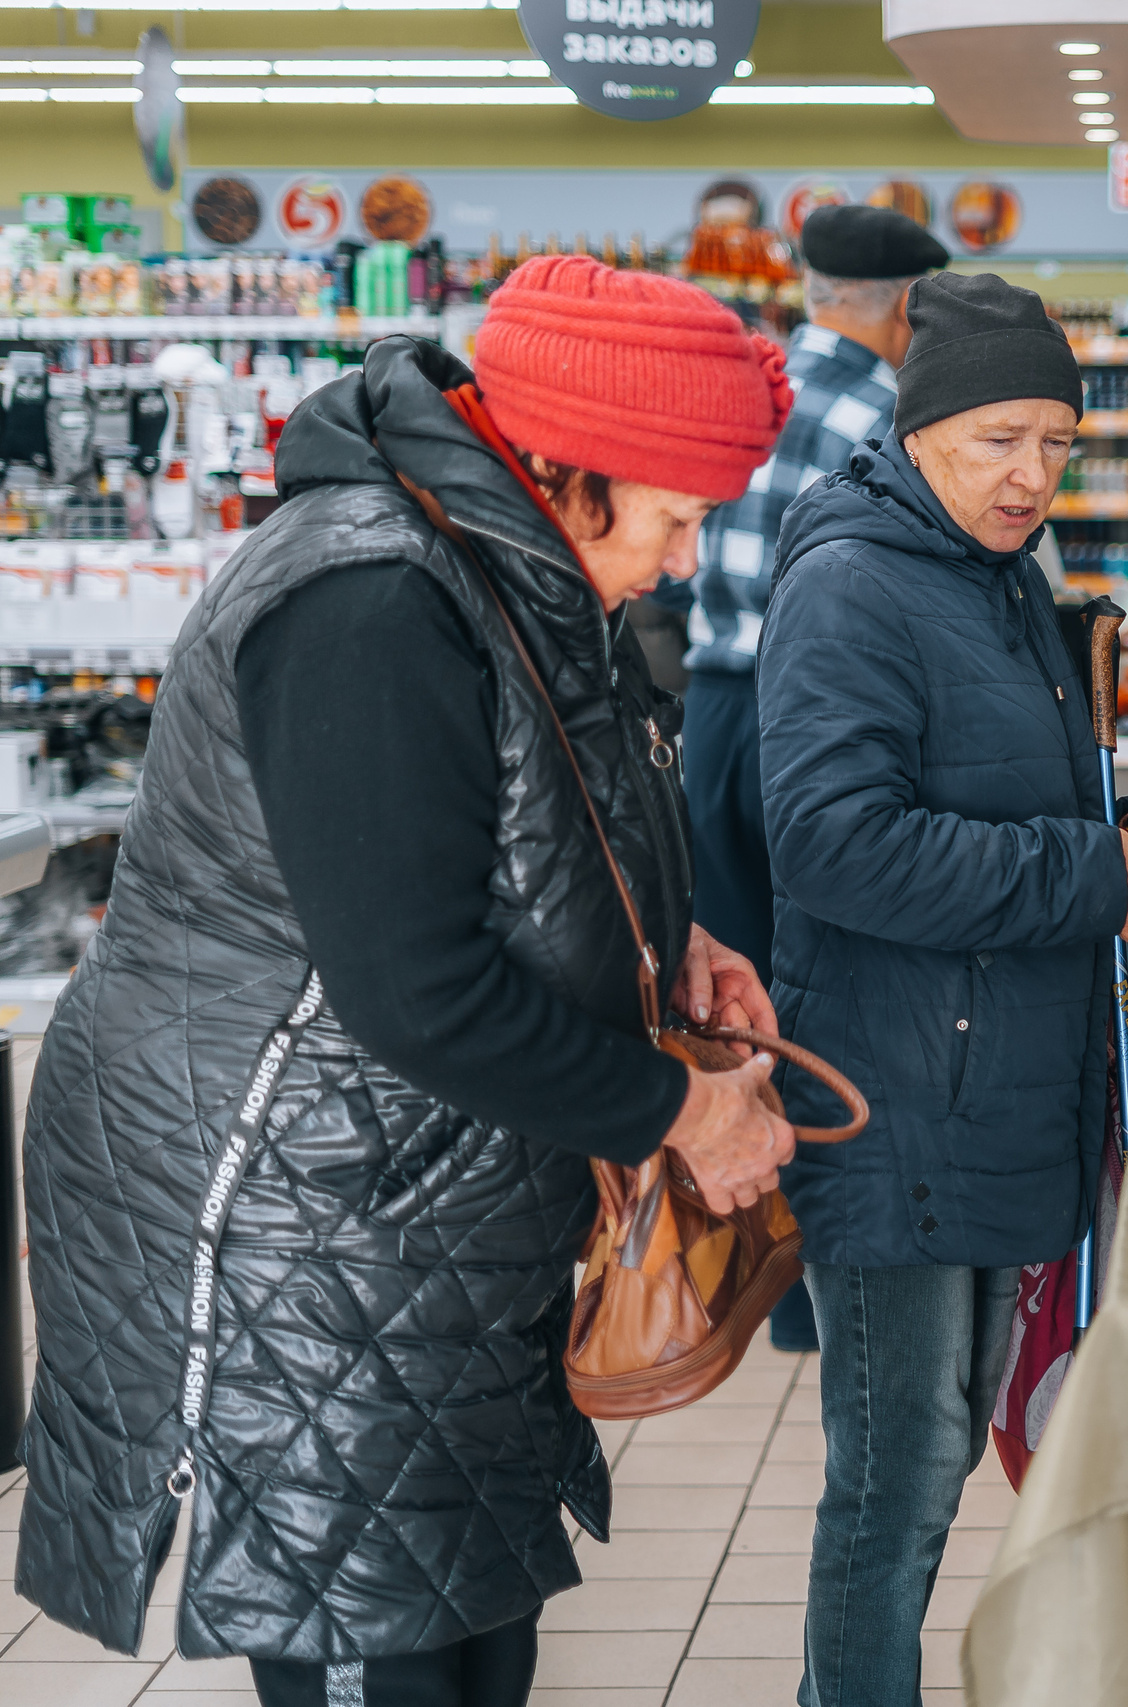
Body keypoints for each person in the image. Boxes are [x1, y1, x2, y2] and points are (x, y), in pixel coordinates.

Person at [17, 255, 799, 1707]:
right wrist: (678, 1111)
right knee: (391, 1660)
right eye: (684, 516)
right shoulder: (371, 600)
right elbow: (413, 983)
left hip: (423, 1212)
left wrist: (665, 941)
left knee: (474, 1635)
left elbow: (527, 830)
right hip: (297, 1227)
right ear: (572, 471)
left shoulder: (507, 564)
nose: (691, 558)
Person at [757, 270, 1128, 1707]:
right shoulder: (852, 584)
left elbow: (1004, 796)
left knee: (942, 1455)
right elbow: (831, 841)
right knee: (898, 1481)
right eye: (997, 437)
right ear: (920, 427)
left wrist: (1116, 855)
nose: (1030, 474)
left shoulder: (997, 575)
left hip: (979, 1085)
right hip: (891, 1102)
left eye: (1057, 444)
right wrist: (1083, 882)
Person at [680, 201, 947, 1352]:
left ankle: (749, 1275)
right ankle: (820, 1289)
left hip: (711, 719)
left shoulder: (750, 387)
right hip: (812, 726)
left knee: (731, 1008)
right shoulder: (884, 413)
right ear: (899, 307)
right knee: (812, 993)